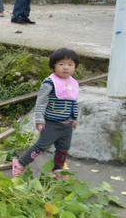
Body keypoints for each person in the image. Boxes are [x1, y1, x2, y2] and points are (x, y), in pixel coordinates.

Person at [13, 48, 80, 178]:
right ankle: (20, 163)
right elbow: (41, 102)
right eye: (61, 64)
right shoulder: (50, 83)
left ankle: (58, 169)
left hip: (67, 125)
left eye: (70, 64)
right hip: (51, 124)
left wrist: (74, 118)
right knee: (41, 147)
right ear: (53, 66)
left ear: (75, 67)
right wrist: (39, 120)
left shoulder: (73, 83)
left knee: (63, 148)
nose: (66, 68)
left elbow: (73, 102)